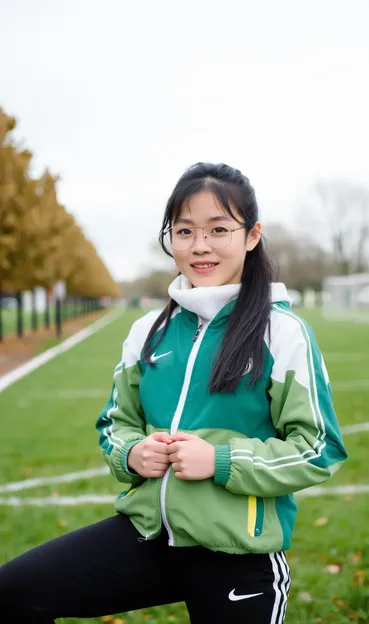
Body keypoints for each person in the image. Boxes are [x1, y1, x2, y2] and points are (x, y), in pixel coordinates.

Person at [0, 162, 347, 623]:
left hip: (236, 554)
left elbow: (318, 448)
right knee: (13, 591)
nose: (199, 246)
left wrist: (220, 462)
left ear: (252, 235)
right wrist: (130, 454)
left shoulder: (282, 332)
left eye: (218, 229)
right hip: (147, 536)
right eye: (184, 231)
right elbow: (114, 422)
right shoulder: (148, 331)